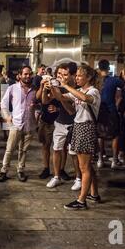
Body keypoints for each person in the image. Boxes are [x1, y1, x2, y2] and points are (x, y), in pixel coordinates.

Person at [52, 65, 101, 210]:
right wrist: (53, 86)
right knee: (87, 166)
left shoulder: (94, 91)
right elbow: (60, 97)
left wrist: (66, 85)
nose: (76, 78)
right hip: (78, 127)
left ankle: (81, 201)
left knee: (84, 167)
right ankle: (94, 194)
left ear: (89, 78)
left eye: (79, 76)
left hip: (86, 127)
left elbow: (85, 98)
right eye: (77, 75)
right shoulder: (78, 90)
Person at [41, 62, 80, 190]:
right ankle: (56, 177)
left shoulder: (76, 89)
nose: (61, 77)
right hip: (59, 123)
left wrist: (58, 91)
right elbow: (45, 101)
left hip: (74, 123)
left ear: (73, 75)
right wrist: (46, 88)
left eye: (65, 74)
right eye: (59, 74)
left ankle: (78, 178)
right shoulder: (58, 86)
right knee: (56, 149)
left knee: (73, 153)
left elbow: (71, 110)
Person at [0, 66, 37, 183]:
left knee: (23, 150)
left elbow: (39, 105)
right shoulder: (12, 88)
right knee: (9, 149)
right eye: (25, 74)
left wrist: (37, 113)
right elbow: (3, 104)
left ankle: (20, 170)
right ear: (19, 75)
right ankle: (3, 171)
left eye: (29, 74)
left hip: (30, 124)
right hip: (16, 124)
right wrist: (7, 117)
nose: (28, 76)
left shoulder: (35, 90)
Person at [96, 59, 125, 170]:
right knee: (115, 135)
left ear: (99, 67)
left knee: (100, 135)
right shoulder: (114, 80)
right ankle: (114, 161)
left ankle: (100, 159)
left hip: (99, 110)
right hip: (111, 110)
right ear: (108, 68)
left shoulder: (96, 80)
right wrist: (124, 76)